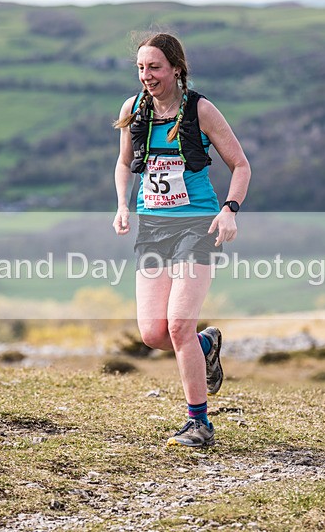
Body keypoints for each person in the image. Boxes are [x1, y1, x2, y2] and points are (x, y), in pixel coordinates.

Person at [112, 33, 251, 447]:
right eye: (141, 68)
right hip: (153, 228)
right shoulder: (134, 109)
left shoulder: (201, 110)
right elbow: (123, 164)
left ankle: (199, 423)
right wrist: (122, 204)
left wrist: (230, 209)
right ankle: (206, 344)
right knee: (153, 334)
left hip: (198, 225)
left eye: (154, 67)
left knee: (178, 325)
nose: (146, 76)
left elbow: (241, 165)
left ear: (176, 68)